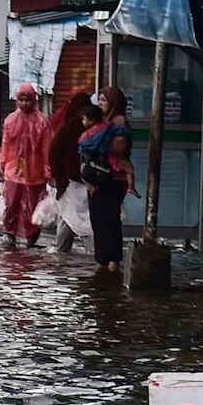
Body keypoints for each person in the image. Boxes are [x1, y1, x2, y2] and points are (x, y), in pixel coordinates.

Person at [80, 86, 132, 279]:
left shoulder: (119, 122)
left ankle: (113, 261)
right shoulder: (99, 122)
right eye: (99, 99)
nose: (100, 103)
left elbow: (120, 149)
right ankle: (102, 259)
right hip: (96, 178)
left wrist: (100, 141)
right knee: (97, 219)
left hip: (113, 179)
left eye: (104, 100)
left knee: (109, 219)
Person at [0, 83, 52, 250]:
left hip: (35, 173)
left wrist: (48, 170)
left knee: (33, 207)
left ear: (33, 101)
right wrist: (2, 165)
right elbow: (6, 145)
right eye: (21, 100)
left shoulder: (42, 122)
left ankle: (31, 238)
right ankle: (10, 235)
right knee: (11, 204)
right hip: (14, 171)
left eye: (27, 100)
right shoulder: (10, 121)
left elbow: (46, 148)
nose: (24, 104)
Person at [48, 92, 95, 252]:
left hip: (68, 180)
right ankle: (94, 253)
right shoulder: (93, 128)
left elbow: (53, 151)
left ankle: (61, 249)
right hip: (88, 180)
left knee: (67, 215)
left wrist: (55, 174)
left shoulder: (66, 127)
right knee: (89, 218)